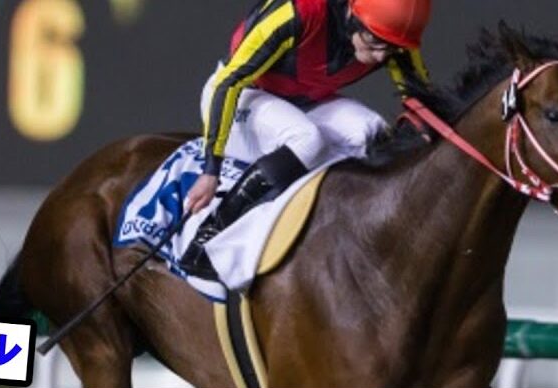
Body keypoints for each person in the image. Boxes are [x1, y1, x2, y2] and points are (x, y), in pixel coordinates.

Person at [178, 0, 432, 278]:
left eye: (391, 48)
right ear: (352, 12)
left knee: (375, 133)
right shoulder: (299, 13)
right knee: (307, 140)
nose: (381, 57)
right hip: (242, 95)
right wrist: (211, 170)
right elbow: (228, 83)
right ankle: (208, 238)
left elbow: (422, 102)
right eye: (374, 41)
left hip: (304, 103)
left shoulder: (393, 39)